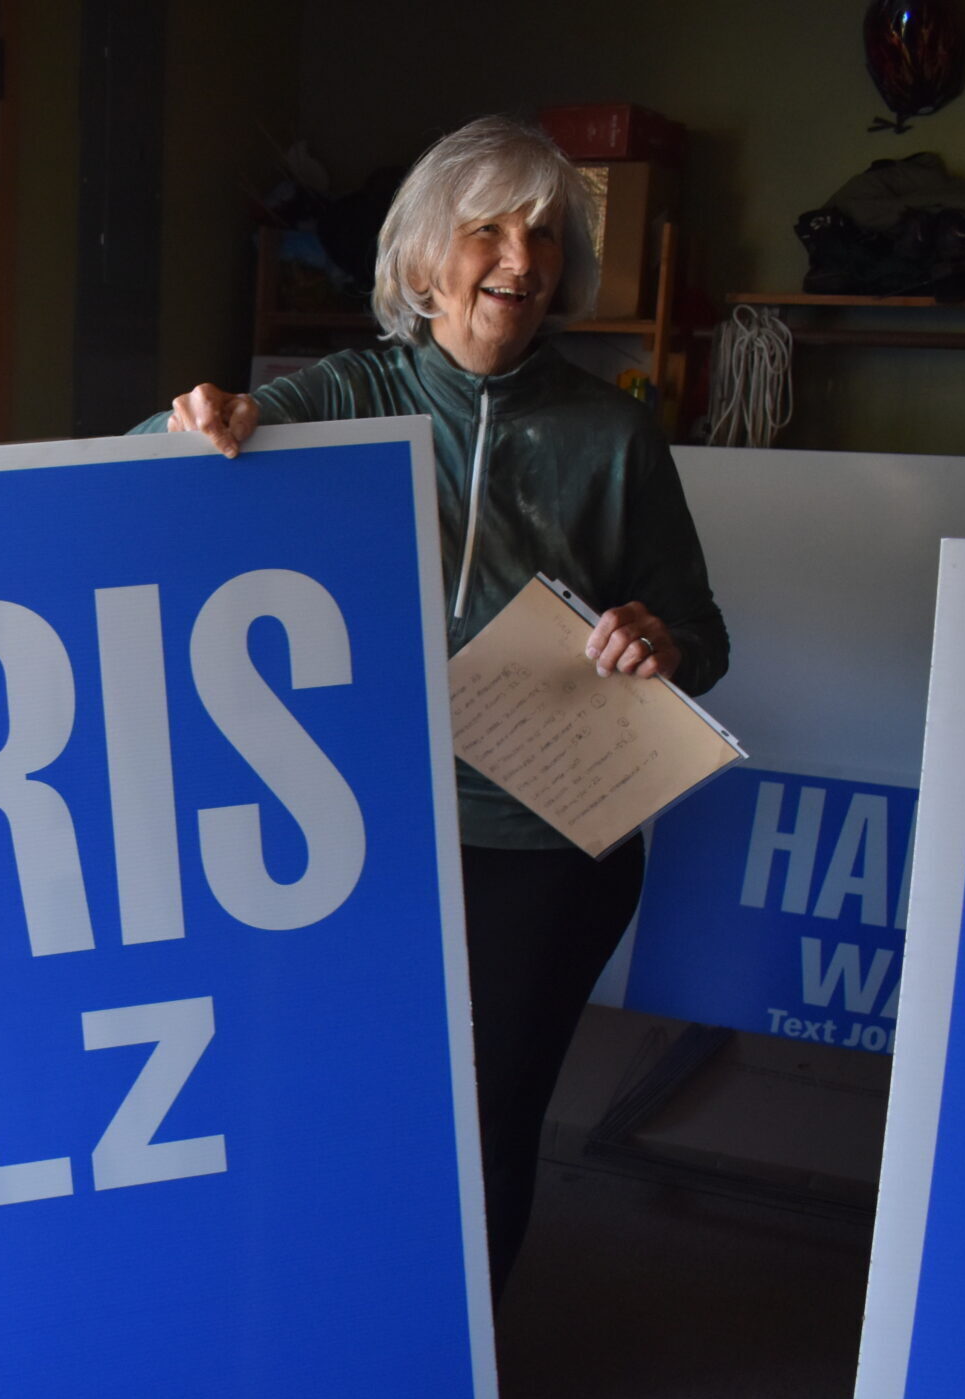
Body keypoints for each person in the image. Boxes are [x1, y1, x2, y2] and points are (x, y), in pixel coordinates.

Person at [135, 114, 730, 1298]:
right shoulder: (345, 394)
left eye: (547, 236)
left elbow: (700, 636)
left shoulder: (610, 431)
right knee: (343, 1088)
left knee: (490, 1103)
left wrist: (652, 640)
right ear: (421, 256)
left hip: (544, 840)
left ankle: (453, 1344)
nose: (521, 260)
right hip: (361, 828)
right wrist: (190, 425)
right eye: (490, 230)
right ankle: (331, 1325)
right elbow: (152, 474)